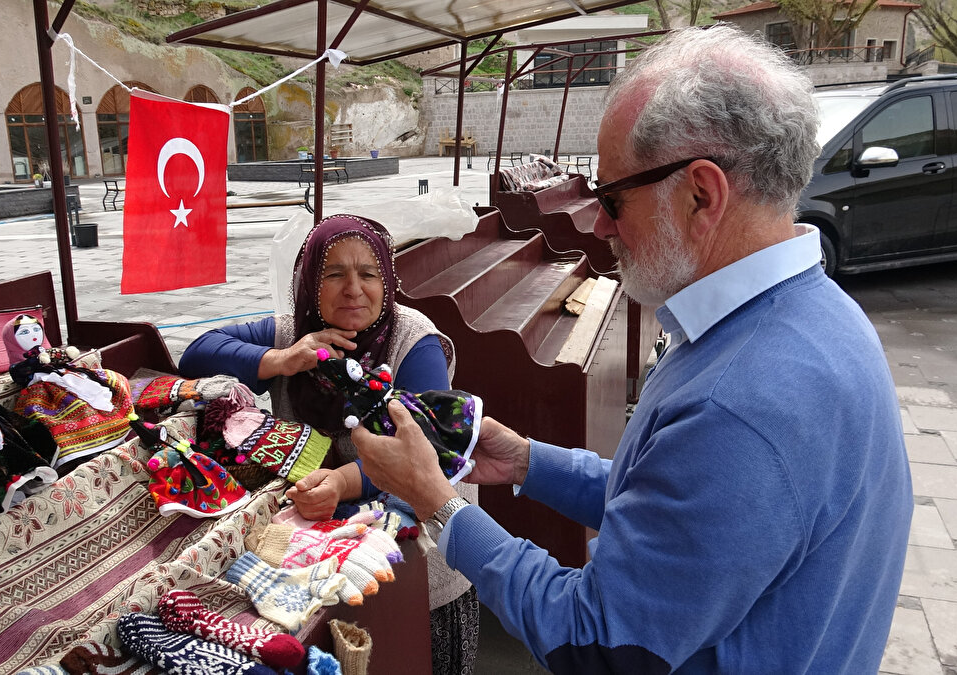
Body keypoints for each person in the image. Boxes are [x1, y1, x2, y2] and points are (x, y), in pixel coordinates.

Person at [352, 25, 913, 674]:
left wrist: (437, 503)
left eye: (613, 198)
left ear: (702, 193)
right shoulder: (818, 316)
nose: (602, 224)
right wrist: (531, 463)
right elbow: (679, 518)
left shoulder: (737, 403)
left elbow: (597, 641)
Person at [180, 213, 480, 674]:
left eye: (369, 273)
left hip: (418, 541)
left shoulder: (412, 342)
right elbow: (195, 352)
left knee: (415, 653)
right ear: (309, 284)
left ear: (387, 280)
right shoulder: (290, 331)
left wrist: (342, 482)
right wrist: (282, 360)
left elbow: (423, 449)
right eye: (334, 273)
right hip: (324, 536)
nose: (353, 288)